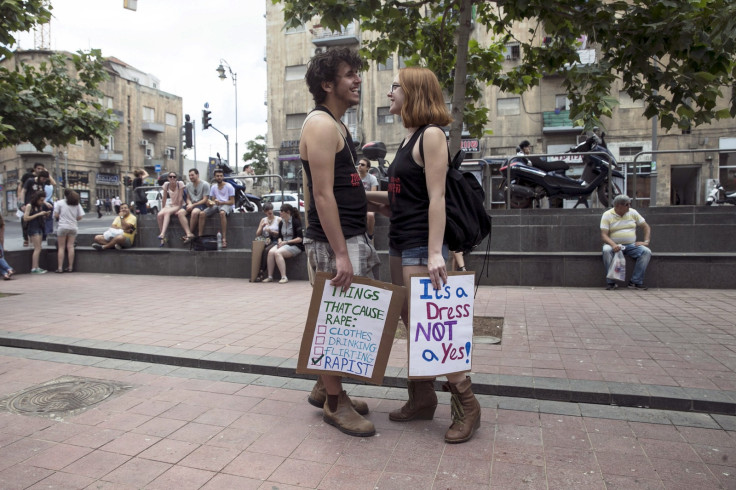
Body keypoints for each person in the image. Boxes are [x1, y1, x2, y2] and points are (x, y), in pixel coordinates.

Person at [366, 67, 481, 444]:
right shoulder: (407, 138)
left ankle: (467, 403)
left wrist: (435, 252)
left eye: (395, 87)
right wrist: (360, 196)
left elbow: (437, 197)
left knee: (430, 326)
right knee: (411, 321)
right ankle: (423, 396)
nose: (389, 93)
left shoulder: (431, 135)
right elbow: (404, 197)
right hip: (400, 240)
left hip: (419, 244)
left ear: (414, 92)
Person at [300, 47, 380, 437]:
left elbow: (345, 188)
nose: (358, 80)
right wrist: (341, 254)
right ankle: (335, 403)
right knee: (334, 326)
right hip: (335, 243)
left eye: (357, 73)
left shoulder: (338, 126)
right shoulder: (320, 125)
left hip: (350, 237)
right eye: (350, 74)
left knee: (347, 323)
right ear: (327, 84)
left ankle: (325, 386)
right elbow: (321, 195)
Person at [601, 194, 652, 290]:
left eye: (629, 204)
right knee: (606, 250)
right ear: (617, 206)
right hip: (613, 244)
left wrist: (646, 241)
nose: (629, 206)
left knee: (646, 251)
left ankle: (635, 281)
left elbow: (646, 227)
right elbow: (604, 235)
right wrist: (613, 245)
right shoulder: (607, 215)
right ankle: (611, 283)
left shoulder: (633, 213)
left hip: (631, 245)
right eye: (626, 204)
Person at [264, 204, 304, 283]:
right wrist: (279, 241)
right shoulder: (281, 223)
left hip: (295, 245)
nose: (280, 212)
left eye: (282, 211)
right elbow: (279, 236)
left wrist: (286, 242)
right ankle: (270, 276)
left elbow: (300, 239)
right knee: (271, 252)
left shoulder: (296, 222)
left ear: (288, 212)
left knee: (278, 253)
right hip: (283, 244)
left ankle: (284, 277)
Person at [198, 168, 234, 248]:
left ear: (223, 177)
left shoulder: (229, 186)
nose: (219, 177)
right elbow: (213, 201)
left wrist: (222, 202)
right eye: (217, 176)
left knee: (222, 213)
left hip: (227, 205)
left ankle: (224, 238)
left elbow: (232, 202)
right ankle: (199, 237)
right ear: (214, 177)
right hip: (217, 205)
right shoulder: (214, 187)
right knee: (202, 213)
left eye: (221, 176)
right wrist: (210, 203)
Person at [19, 166, 54, 247]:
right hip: (28, 203)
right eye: (43, 179)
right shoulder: (30, 181)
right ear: (39, 177)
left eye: (45, 180)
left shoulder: (42, 184)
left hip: (37, 205)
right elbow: (23, 191)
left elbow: (40, 197)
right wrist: (22, 203)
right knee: (25, 220)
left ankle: (33, 239)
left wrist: (45, 203)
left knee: (37, 220)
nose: (43, 181)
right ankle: (26, 238)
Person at [53, 189, 84, 273]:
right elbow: (80, 216)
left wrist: (61, 218)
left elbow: (56, 215)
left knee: (61, 247)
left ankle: (60, 268)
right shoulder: (76, 203)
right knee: (70, 247)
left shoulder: (60, 203)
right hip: (73, 227)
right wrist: (74, 219)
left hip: (62, 226)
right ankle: (70, 267)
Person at [178, 168, 210, 243]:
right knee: (180, 213)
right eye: (189, 175)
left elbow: (205, 199)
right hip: (191, 204)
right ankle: (189, 233)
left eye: (192, 175)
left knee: (194, 212)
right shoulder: (188, 185)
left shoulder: (205, 184)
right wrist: (189, 204)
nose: (191, 177)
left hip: (201, 204)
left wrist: (193, 205)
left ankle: (189, 235)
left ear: (197, 175)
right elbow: (188, 198)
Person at [24, 191, 51, 274]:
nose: (42, 202)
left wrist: (45, 214)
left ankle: (37, 266)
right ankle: (34, 267)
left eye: (43, 200)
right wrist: (38, 214)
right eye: (41, 200)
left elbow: (40, 216)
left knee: (39, 248)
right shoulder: (29, 206)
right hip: (33, 228)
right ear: (37, 199)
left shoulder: (39, 206)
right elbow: (26, 218)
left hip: (39, 227)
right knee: (37, 248)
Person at [253, 202, 281, 282]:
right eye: (267, 211)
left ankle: (261, 272)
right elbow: (257, 234)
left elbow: (281, 234)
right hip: (265, 240)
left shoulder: (278, 219)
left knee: (266, 251)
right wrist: (262, 227)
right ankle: (256, 272)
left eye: (270, 210)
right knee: (258, 251)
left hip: (275, 240)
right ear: (265, 212)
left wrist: (271, 231)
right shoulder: (263, 220)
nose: (269, 212)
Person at [156, 172, 186, 246]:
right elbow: (164, 198)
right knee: (159, 215)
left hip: (179, 204)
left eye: (174, 177)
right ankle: (162, 239)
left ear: (176, 178)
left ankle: (162, 234)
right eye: (170, 176)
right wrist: (163, 208)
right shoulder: (166, 185)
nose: (172, 178)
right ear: (168, 178)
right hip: (171, 204)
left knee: (167, 213)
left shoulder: (180, 183)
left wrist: (178, 208)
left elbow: (180, 198)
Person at [357, 157, 379, 239]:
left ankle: (370, 235)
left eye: (362, 165)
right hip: (357, 203)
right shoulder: (354, 178)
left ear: (367, 168)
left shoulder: (372, 178)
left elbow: (373, 195)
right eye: (358, 164)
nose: (359, 166)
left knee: (370, 215)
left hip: (369, 203)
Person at [0, 213, 16, 280]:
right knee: (0, 258)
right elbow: (1, 237)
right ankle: (6, 273)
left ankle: (8, 269)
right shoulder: (2, 224)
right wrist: (2, 247)